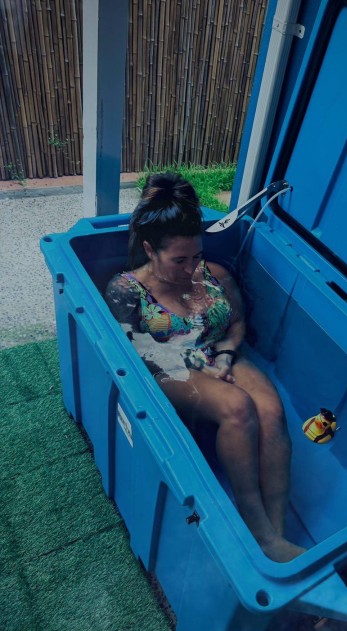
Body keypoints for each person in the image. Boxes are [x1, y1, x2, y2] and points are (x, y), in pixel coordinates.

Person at [105, 172, 305, 563]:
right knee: (237, 407)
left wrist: (228, 354)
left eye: (195, 255)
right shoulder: (126, 290)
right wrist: (197, 364)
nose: (190, 268)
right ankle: (260, 534)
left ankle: (278, 532)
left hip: (218, 353)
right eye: (179, 260)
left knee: (271, 410)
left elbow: (237, 322)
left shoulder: (214, 274)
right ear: (150, 249)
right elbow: (134, 352)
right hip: (168, 366)